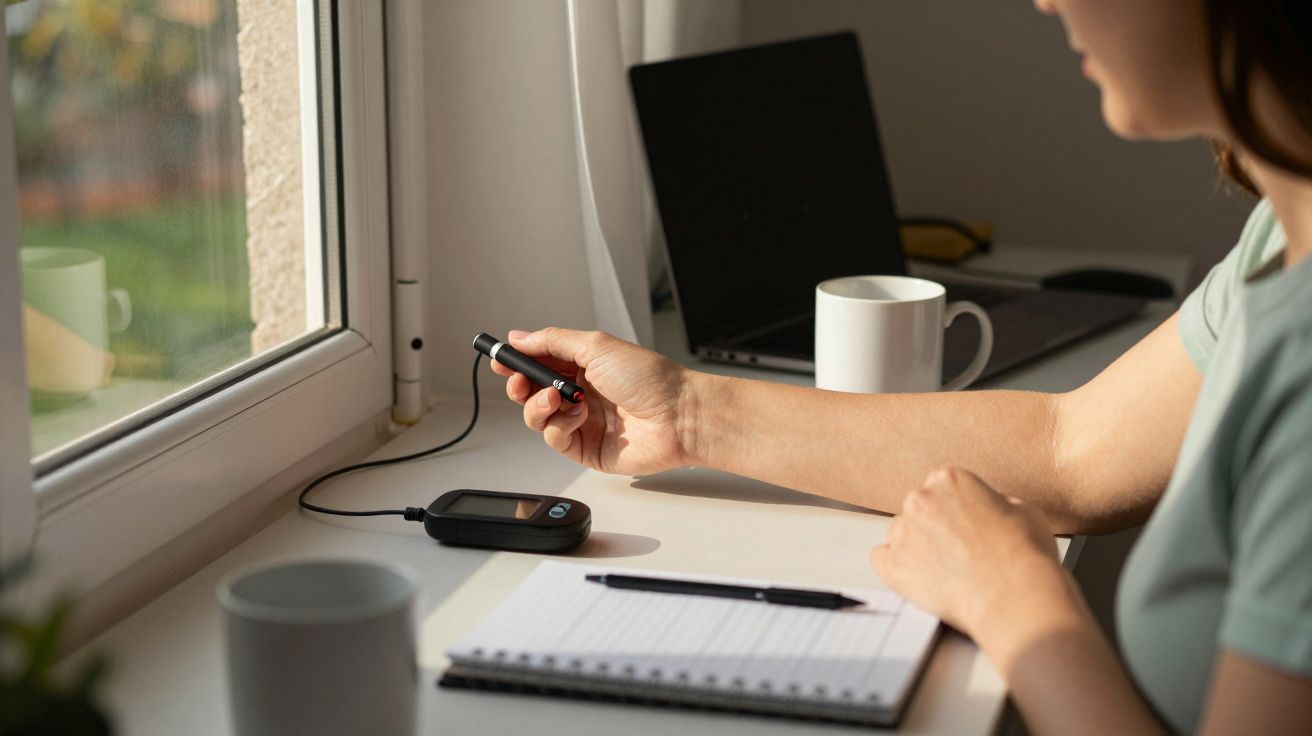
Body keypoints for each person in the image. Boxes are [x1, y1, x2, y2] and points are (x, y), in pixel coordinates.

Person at [490, 0, 1312, 731]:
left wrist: (1018, 601)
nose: (1045, 1)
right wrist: (687, 413)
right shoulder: (1278, 244)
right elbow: (1073, 449)